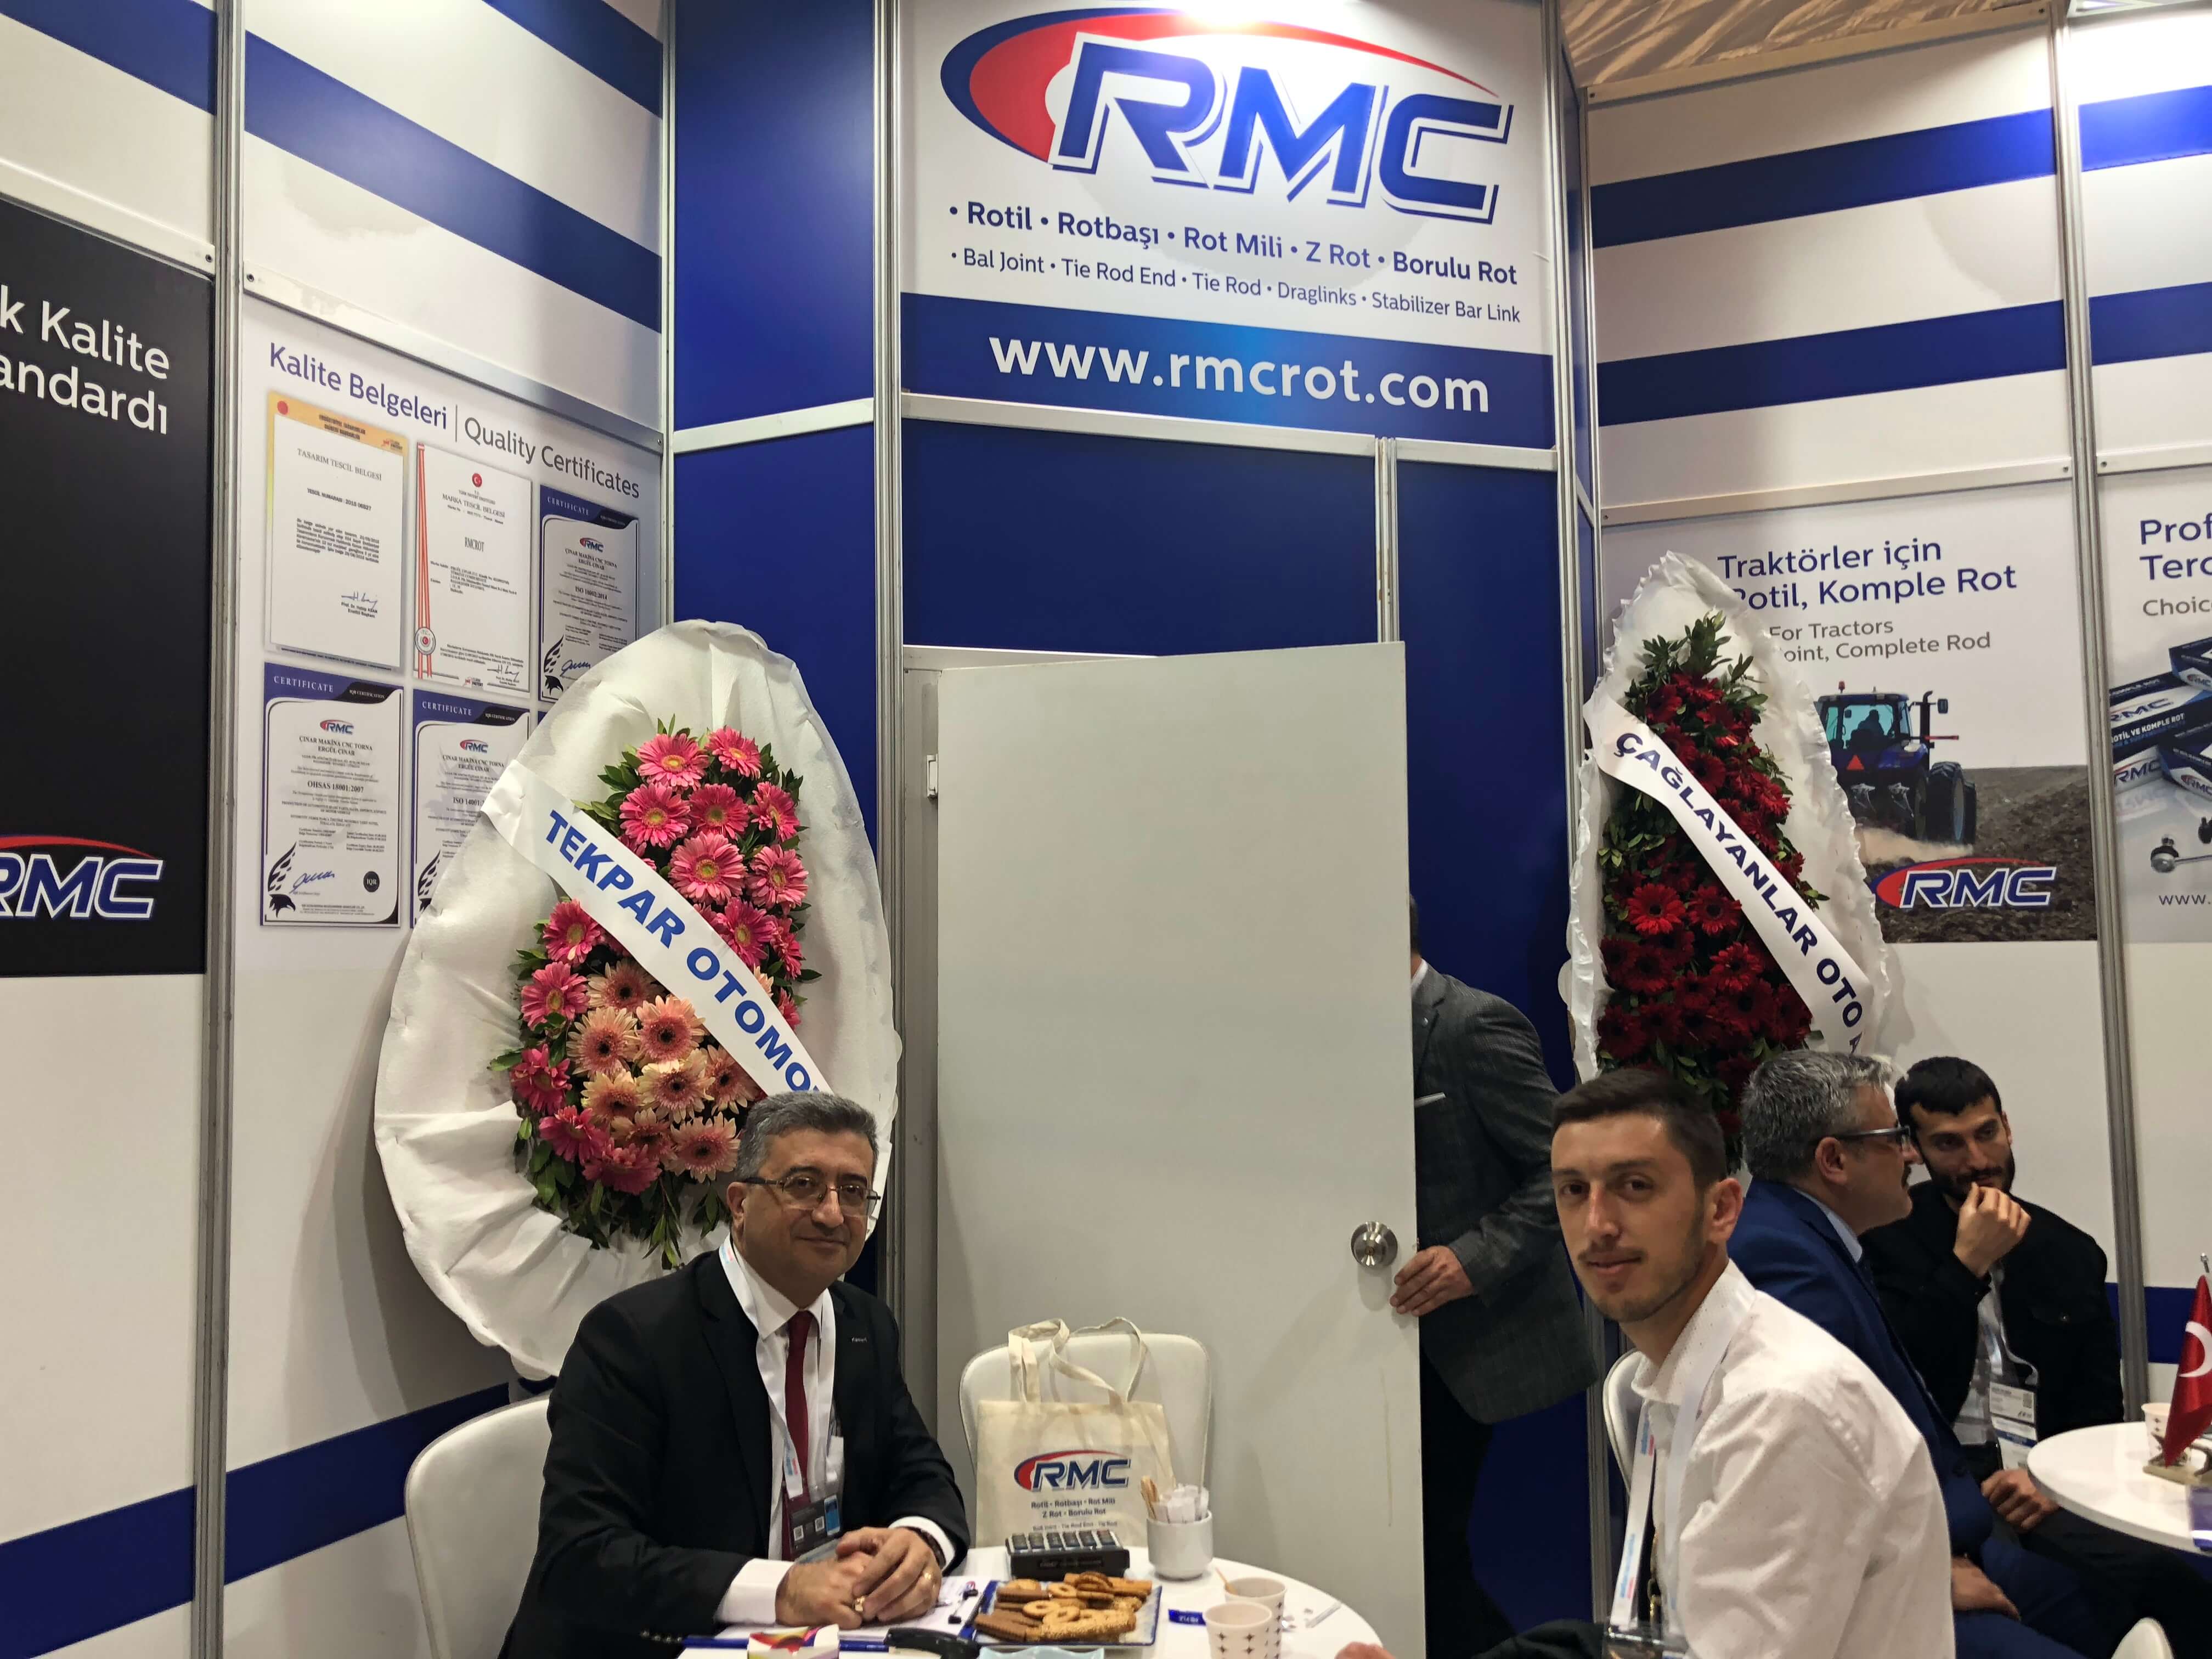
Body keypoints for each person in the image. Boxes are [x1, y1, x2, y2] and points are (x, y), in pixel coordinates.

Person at [1340, 1066, 1952, 1659]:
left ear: (1722, 1210)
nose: (1597, 1225)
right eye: (1573, 1191)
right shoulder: (1679, 1369)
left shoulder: (1778, 1411)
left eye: (1635, 1186)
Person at [501, 1093, 969, 1659]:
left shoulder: (864, 1324)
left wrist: (919, 1542)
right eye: (803, 1185)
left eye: (853, 1192)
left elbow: (921, 1472)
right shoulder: (634, 1340)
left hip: (820, 1639)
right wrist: (781, 1590)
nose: (831, 1214)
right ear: (741, 1204)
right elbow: (581, 1556)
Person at [1731, 1050, 2111, 1659]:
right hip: (1893, 1566)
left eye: (1987, 1133)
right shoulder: (1787, 1260)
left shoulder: (1816, 1240)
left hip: (1949, 1529)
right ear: (1833, 1160)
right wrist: (1924, 1569)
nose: (1908, 1157)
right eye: (1894, 1139)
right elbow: (1816, 1461)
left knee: (2131, 1600)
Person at [1866, 1056, 2212, 1658]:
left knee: (2177, 1588)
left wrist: (2050, 1478)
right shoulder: (1882, 1244)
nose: (1977, 1160)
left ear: (2007, 1126)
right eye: (1949, 1143)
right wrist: (1966, 1267)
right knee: (2051, 1602)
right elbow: (1899, 1386)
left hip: (2042, 1475)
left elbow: (2099, 1404)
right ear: (1912, 1150)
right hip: (1938, 1483)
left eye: (1987, 1133)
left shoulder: (2070, 1252)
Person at [1400, 898, 1600, 1658]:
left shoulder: (1473, 1024)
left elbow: (1564, 1175)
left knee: (1431, 1552)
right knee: (1420, 1550)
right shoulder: (1337, 1036)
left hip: (1470, 1345)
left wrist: (1471, 1260)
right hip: (1382, 1343)